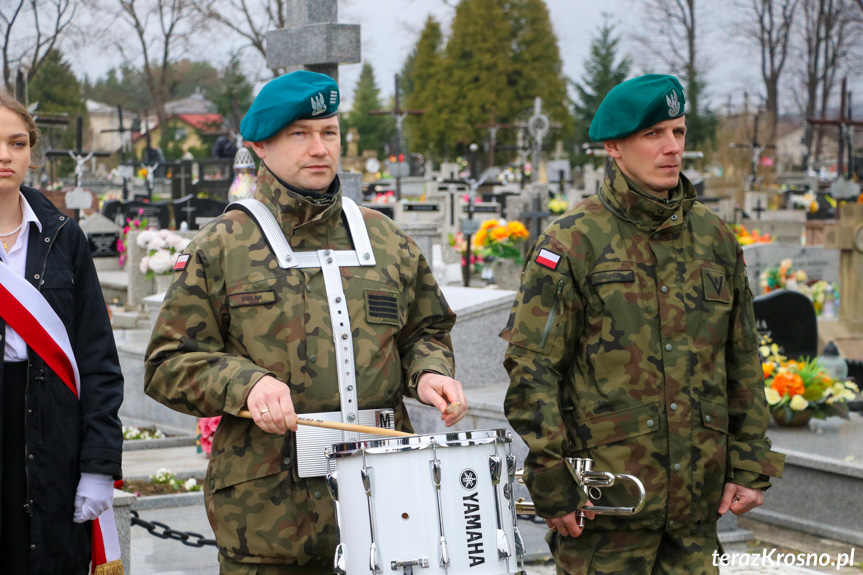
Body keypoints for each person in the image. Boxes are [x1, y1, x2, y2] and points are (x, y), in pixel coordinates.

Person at [144, 70, 467, 574]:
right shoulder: (223, 245)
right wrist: (246, 384)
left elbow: (425, 331)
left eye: (329, 132)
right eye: (299, 133)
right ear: (262, 148)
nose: (319, 147)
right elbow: (167, 363)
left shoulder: (385, 240)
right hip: (269, 524)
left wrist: (428, 372)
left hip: (387, 510)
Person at [502, 74, 785, 574]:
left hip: (696, 512)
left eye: (678, 132)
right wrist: (550, 477)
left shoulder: (714, 239)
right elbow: (533, 369)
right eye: (653, 134)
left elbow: (741, 359)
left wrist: (749, 462)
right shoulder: (572, 242)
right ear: (614, 146)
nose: (672, 148)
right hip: (608, 513)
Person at [0, 91, 124, 573]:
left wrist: (97, 466)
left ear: (32, 152)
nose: (4, 156)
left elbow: (97, 358)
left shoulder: (63, 237)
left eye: (16, 143)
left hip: (52, 439)